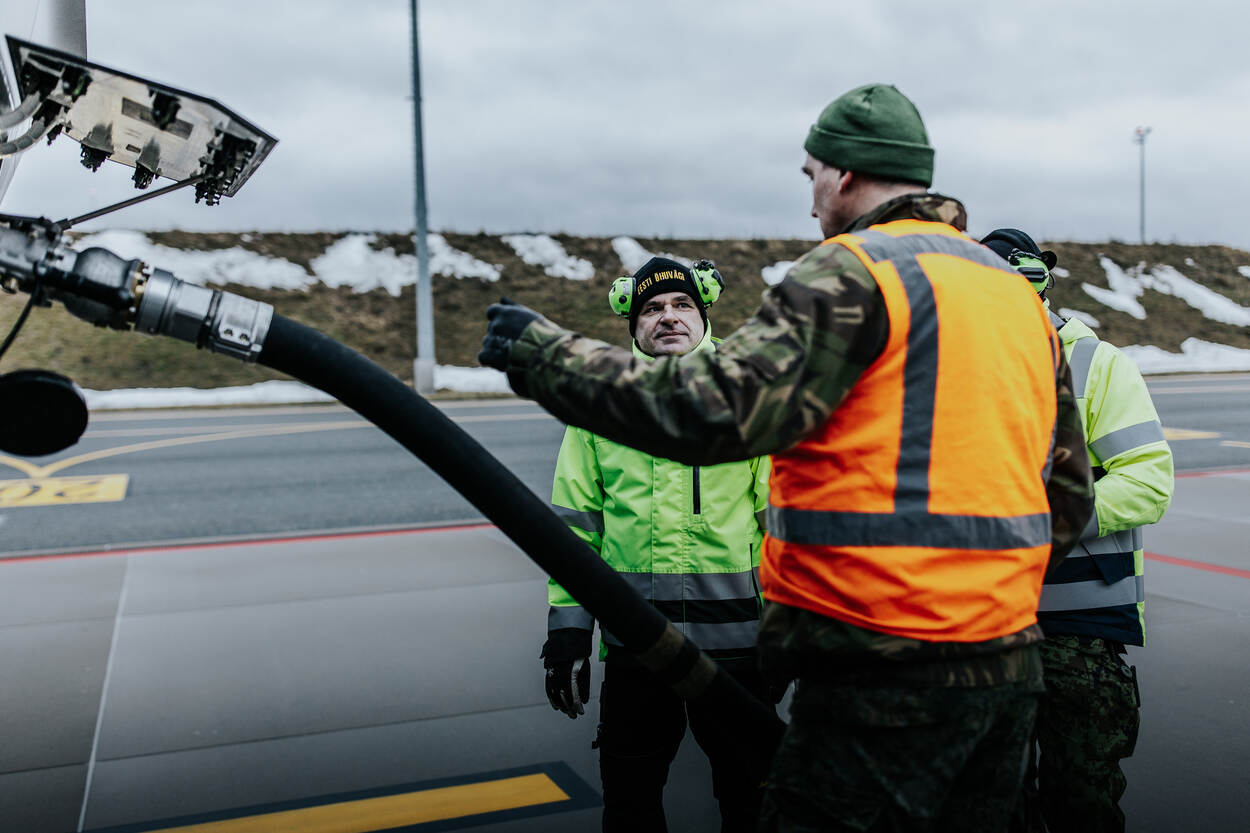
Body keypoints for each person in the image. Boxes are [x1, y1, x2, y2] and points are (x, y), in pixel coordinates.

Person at [479, 82, 1094, 831]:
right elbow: (1069, 498)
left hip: (882, 670)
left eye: (811, 178)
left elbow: (713, 409)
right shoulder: (1013, 295)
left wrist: (546, 355)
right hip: (1006, 666)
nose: (811, 203)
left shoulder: (852, 271)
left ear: (841, 174)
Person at [541, 255, 773, 833]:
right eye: (652, 308)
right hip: (638, 650)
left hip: (738, 649)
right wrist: (568, 629)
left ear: (703, 317)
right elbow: (575, 528)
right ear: (635, 325)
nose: (667, 317)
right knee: (631, 801)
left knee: (753, 800)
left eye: (681, 305)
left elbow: (787, 525)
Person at [983, 228, 1174, 833]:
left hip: (1079, 631)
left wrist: (1045, 522)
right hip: (982, 626)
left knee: (1080, 804)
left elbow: (1149, 481)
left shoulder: (1096, 364)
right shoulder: (958, 373)